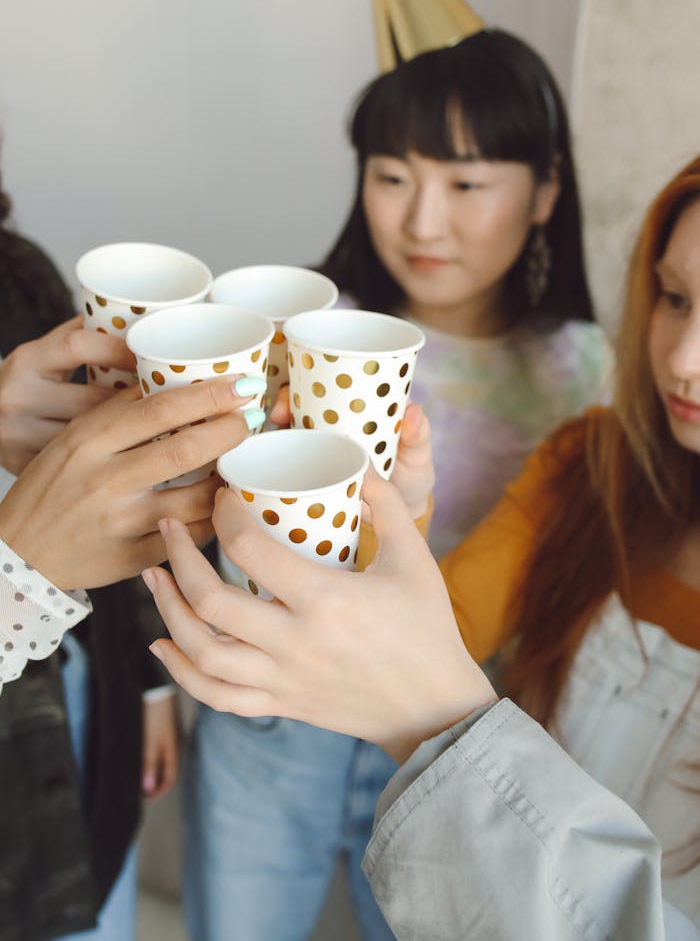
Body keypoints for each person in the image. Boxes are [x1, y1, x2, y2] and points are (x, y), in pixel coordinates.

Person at [145, 153, 700, 938]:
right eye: (676, 298)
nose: (683, 359)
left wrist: (439, 715)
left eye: (466, 183)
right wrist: (372, 537)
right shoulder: (595, 467)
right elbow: (450, 622)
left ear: (542, 194)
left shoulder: (566, 361)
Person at [180, 28, 612, 941]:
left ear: (544, 193)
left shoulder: (585, 373)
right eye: (392, 176)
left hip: (445, 724)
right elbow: (183, 496)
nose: (422, 222)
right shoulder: (297, 328)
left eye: (465, 184)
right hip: (273, 714)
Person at [0, 175, 266, 941]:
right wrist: (18, 571)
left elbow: (109, 487)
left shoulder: (16, 269)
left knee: (96, 878)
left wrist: (148, 682)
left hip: (75, 681)